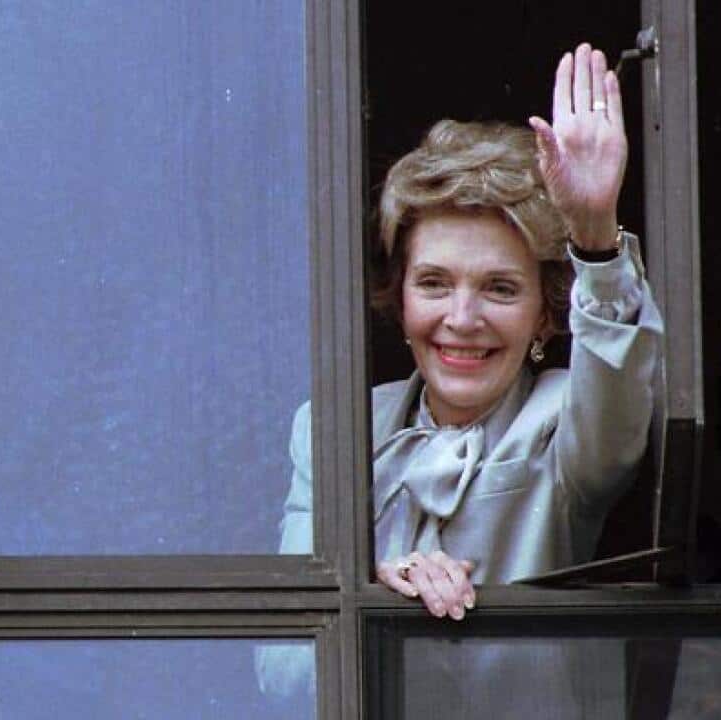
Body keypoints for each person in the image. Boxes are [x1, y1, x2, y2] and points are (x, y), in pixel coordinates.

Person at [259, 43, 664, 705]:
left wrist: (595, 236)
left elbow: (616, 399)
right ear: (401, 298)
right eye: (434, 283)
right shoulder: (333, 429)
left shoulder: (563, 417)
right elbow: (279, 672)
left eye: (500, 289)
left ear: (546, 315)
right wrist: (372, 590)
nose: (462, 317)